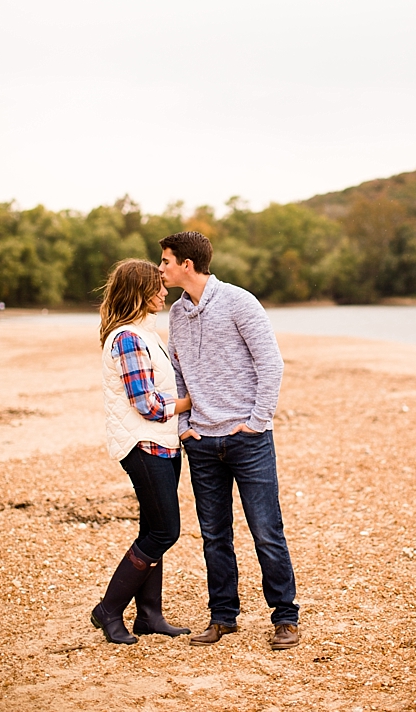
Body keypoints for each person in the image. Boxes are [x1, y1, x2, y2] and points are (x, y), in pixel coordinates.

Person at [158, 230, 300, 650]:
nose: (160, 268)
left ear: (187, 264)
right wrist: (185, 427)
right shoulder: (177, 314)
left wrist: (257, 421)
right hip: (201, 441)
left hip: (247, 440)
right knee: (214, 534)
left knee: (266, 530)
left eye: (166, 260)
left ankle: (285, 618)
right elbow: (179, 371)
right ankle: (222, 617)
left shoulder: (239, 301)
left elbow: (271, 362)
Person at [92, 258, 193, 644]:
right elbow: (147, 404)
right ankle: (109, 609)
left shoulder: (145, 333)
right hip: (142, 444)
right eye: (157, 287)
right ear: (140, 292)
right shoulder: (128, 338)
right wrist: (190, 401)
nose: (164, 291)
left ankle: (149, 615)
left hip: (162, 444)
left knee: (152, 528)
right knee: (165, 531)